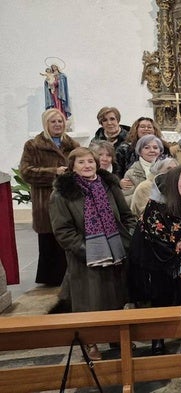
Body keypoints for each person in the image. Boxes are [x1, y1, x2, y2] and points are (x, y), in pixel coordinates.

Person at [50, 147, 136, 360]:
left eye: (90, 161)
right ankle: (90, 343)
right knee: (89, 301)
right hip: (85, 256)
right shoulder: (62, 193)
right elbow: (63, 230)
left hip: (115, 251)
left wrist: (127, 240)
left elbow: (127, 215)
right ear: (72, 167)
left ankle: (116, 336)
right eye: (81, 162)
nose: (87, 165)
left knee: (115, 298)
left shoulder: (109, 184)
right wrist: (85, 250)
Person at [129, 164, 181, 363]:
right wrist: (178, 269)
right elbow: (155, 241)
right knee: (160, 292)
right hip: (157, 260)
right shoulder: (157, 205)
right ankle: (158, 339)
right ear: (175, 182)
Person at [19, 108, 79, 286]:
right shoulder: (33, 145)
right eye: (53, 122)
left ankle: (70, 276)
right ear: (46, 124)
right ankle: (50, 279)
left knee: (67, 237)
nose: (58, 125)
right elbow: (25, 172)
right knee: (49, 241)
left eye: (60, 121)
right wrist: (54, 172)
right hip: (45, 200)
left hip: (69, 199)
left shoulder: (72, 145)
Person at [121, 135, 165, 204]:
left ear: (160, 151)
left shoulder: (166, 169)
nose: (152, 150)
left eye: (155, 148)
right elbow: (126, 200)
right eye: (147, 148)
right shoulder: (131, 173)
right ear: (140, 151)